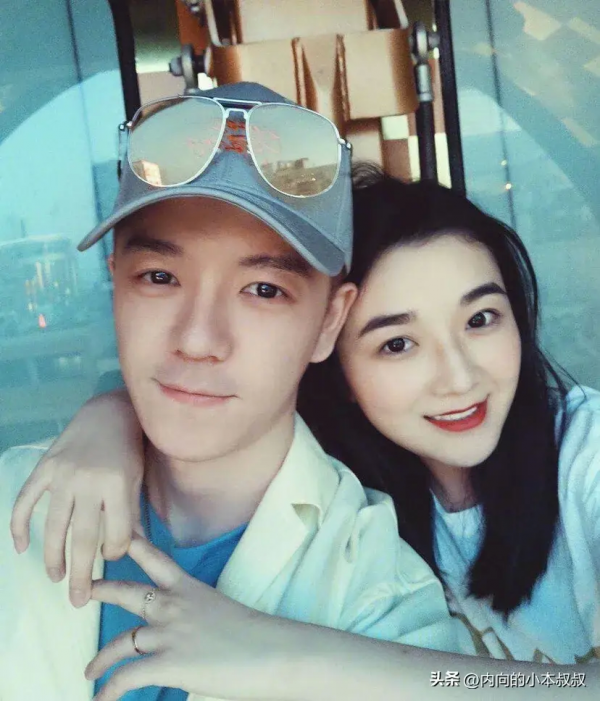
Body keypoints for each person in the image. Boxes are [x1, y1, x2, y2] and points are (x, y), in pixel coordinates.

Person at [9, 168, 600, 699]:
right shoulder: (338, 478)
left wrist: (281, 653)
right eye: (397, 343)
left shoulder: (585, 453)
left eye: (481, 319)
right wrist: (111, 415)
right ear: (332, 346)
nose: (459, 378)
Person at [0, 87, 459, 701]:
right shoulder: (13, 501)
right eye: (159, 277)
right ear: (116, 287)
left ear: (329, 321)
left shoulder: (379, 595)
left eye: (264, 290)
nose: (197, 340)